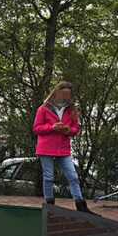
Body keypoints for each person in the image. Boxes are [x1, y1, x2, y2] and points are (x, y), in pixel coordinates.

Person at [33, 81, 96, 215]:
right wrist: (52, 127)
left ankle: (81, 206)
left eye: (68, 94)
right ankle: (49, 206)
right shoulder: (43, 108)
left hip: (63, 148)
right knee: (49, 177)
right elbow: (36, 128)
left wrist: (68, 131)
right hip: (46, 147)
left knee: (73, 176)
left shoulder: (72, 109)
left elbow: (76, 128)